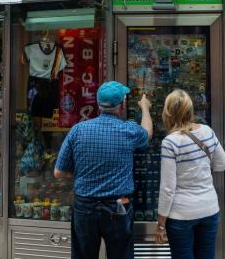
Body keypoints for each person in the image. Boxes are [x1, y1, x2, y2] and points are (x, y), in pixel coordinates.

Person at [54, 81, 153, 259]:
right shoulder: (128, 130)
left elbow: (58, 172)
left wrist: (82, 173)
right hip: (118, 207)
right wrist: (145, 108)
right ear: (122, 106)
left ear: (98, 105)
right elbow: (147, 133)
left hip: (85, 206)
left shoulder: (78, 130)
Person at [154, 89, 225, 259]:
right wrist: (201, 169)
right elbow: (223, 164)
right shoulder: (207, 131)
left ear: (168, 112)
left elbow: (168, 187)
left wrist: (160, 224)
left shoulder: (170, 142)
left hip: (181, 214)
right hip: (209, 209)